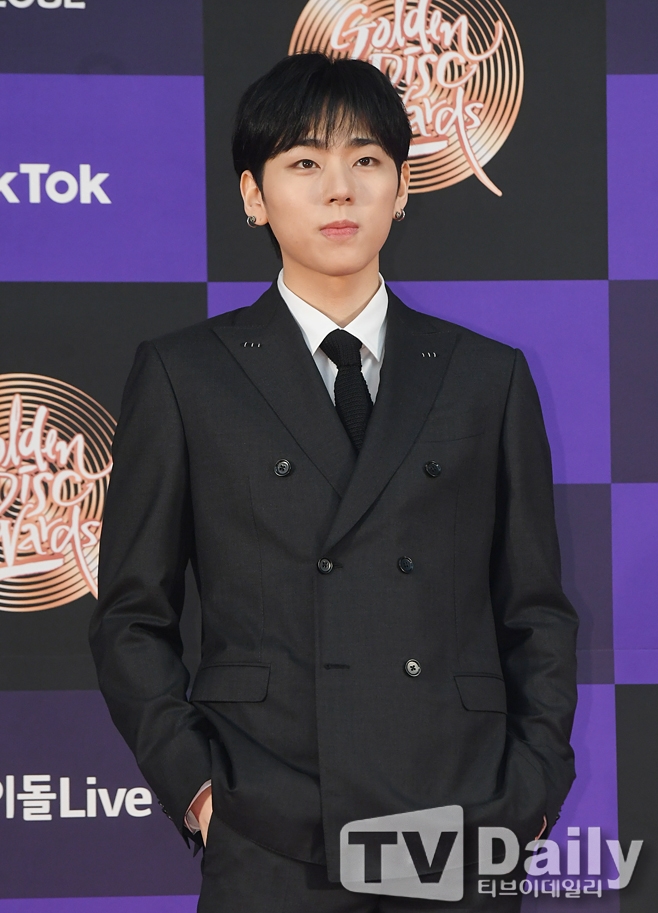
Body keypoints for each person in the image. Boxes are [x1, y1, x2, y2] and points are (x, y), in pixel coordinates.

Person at [89, 53, 578, 912]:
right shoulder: (185, 375)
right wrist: (202, 792)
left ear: (404, 187)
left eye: (367, 160)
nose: (340, 190)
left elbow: (535, 610)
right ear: (253, 195)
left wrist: (530, 796)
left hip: (457, 818)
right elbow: (131, 615)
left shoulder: (486, 376)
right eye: (305, 162)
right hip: (270, 825)